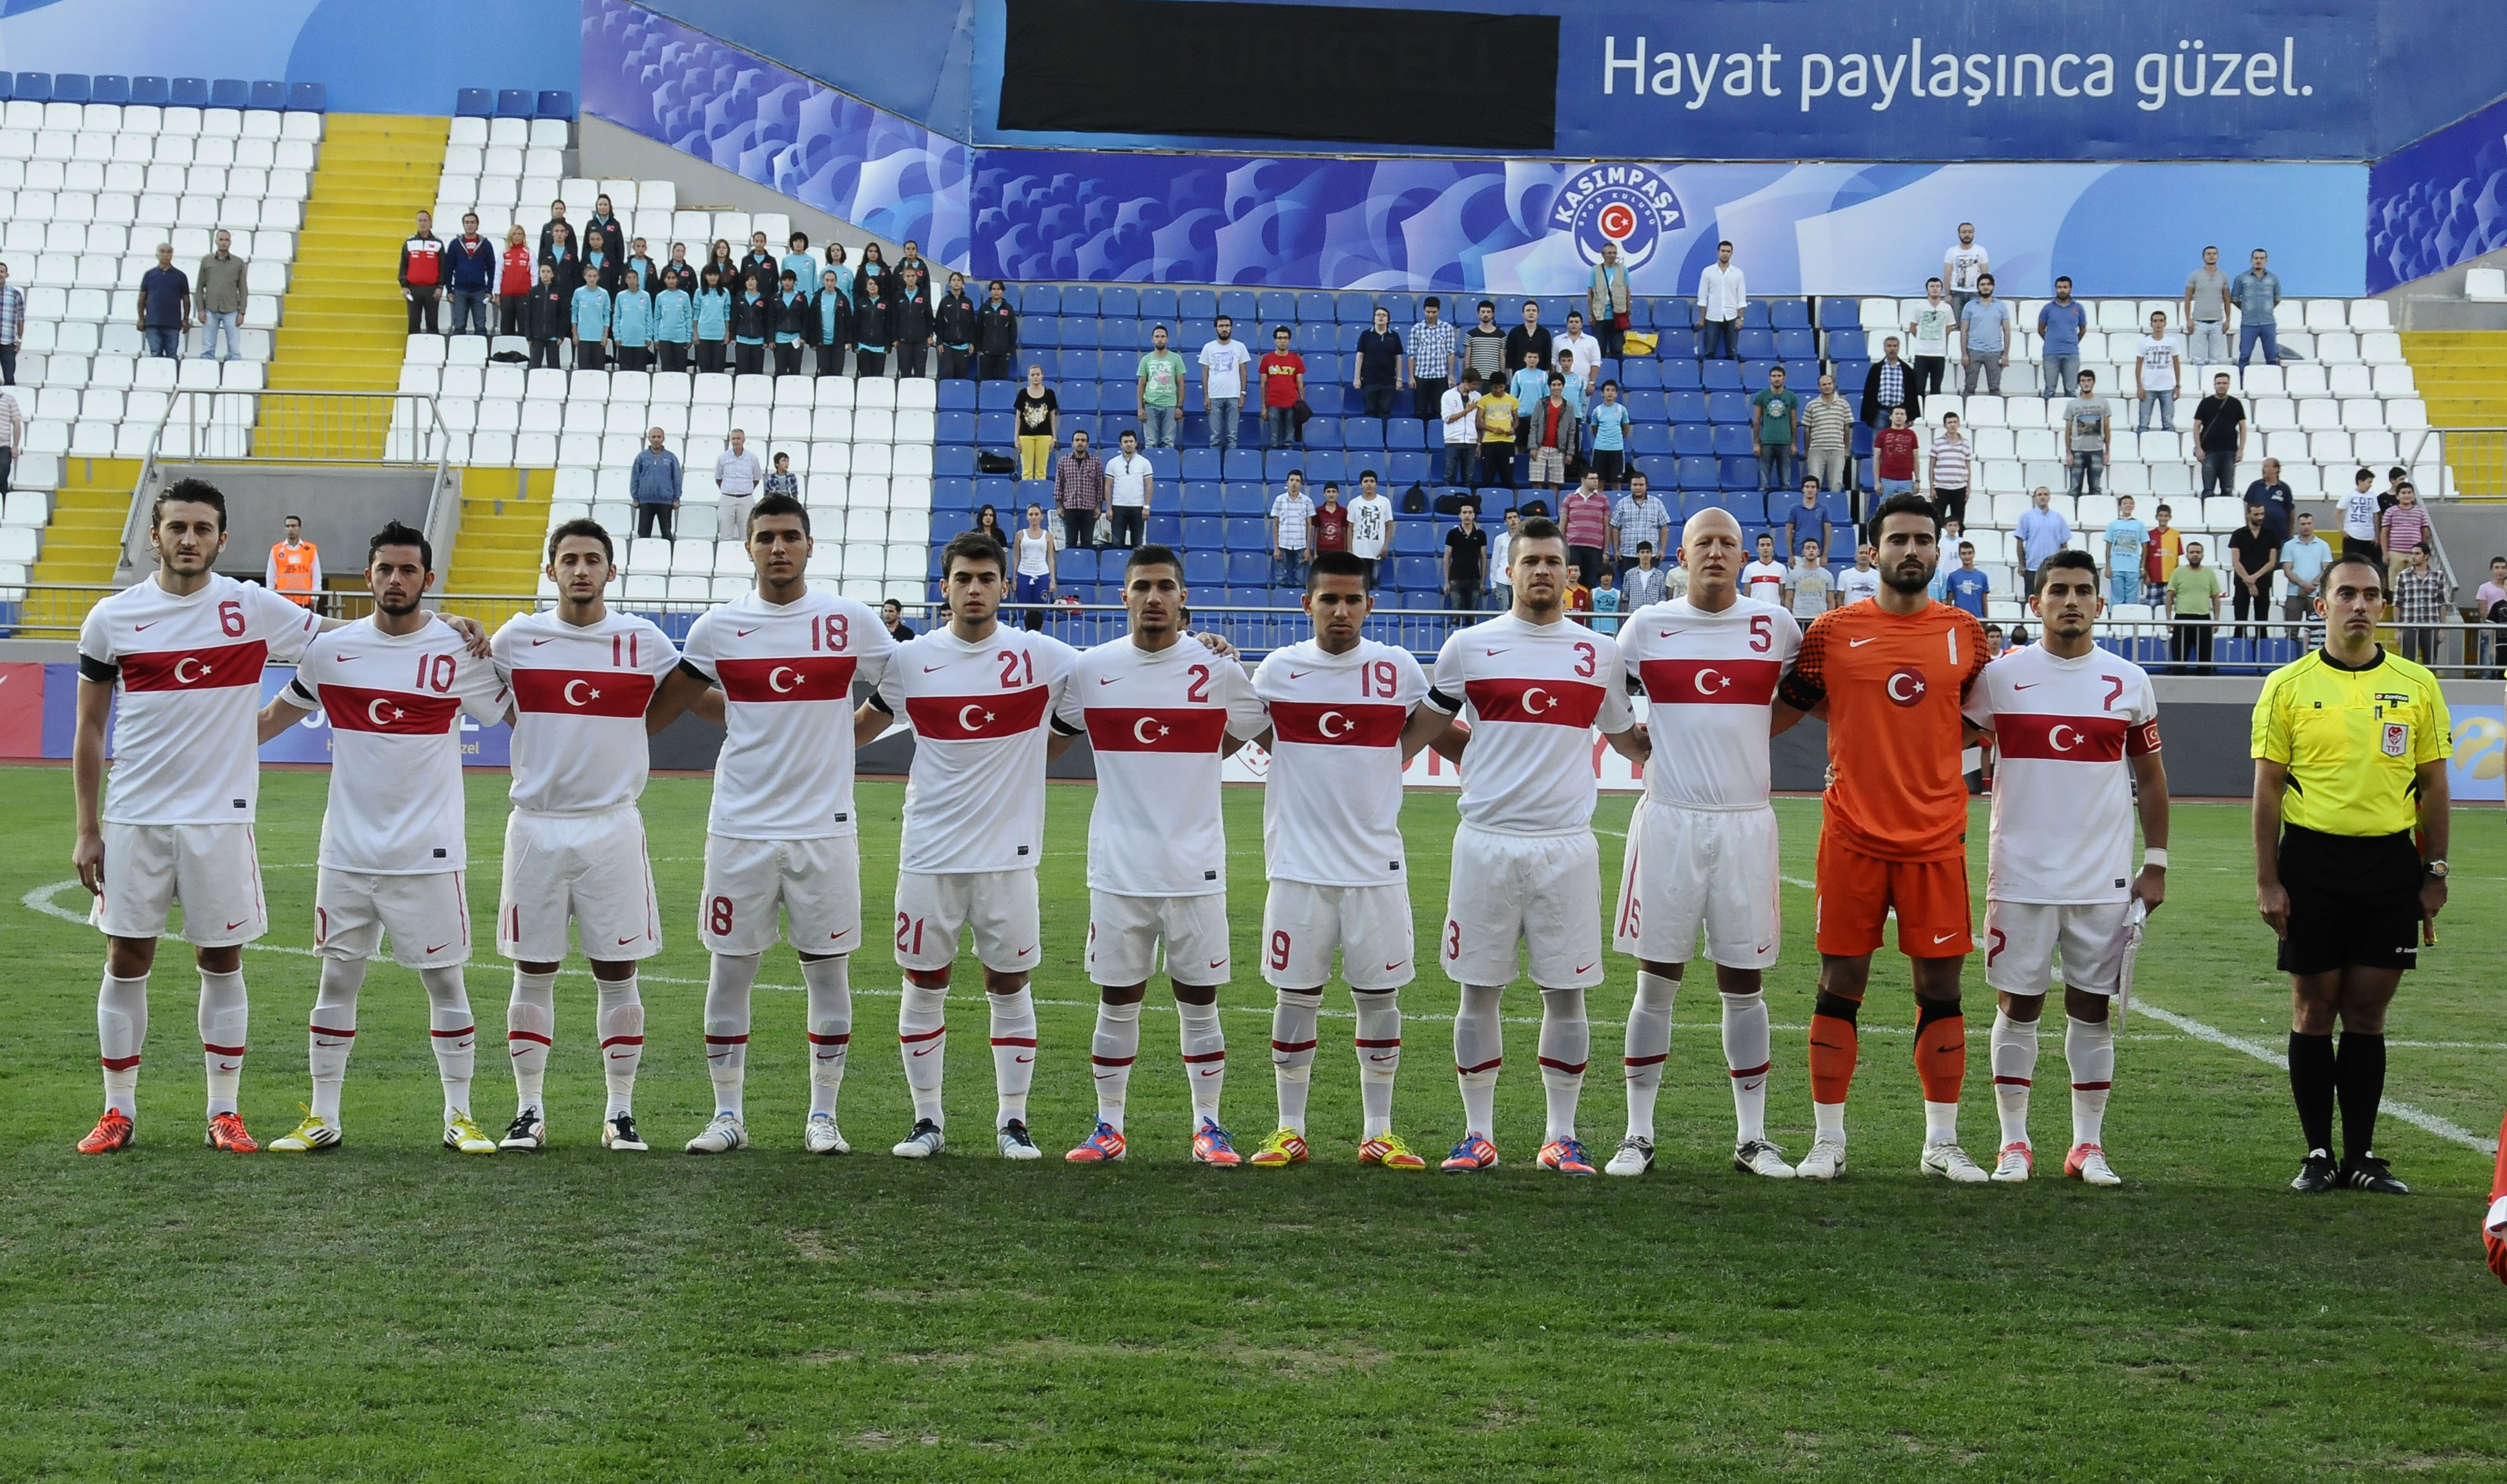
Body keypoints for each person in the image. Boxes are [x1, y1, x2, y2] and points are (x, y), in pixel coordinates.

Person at [70, 480, 327, 1154]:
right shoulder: (112, 619)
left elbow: (343, 649)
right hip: (135, 819)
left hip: (221, 819)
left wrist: (442, 626)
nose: (189, 539)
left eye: (202, 528)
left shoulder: (253, 607)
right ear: (153, 536)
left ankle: (224, 1112)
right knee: (127, 957)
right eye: (177, 527)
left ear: (223, 538)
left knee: (222, 958)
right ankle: (117, 1110)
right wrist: (87, 828)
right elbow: (91, 730)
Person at [641, 495, 894, 1156]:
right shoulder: (718, 629)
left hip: (824, 829)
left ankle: (824, 1116)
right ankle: (727, 1115)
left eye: (790, 537)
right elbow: (674, 698)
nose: (778, 548)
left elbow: (902, 684)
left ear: (811, 546)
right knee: (731, 970)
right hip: (740, 826)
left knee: (827, 971)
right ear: (747, 548)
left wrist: (850, 732)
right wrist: (742, 713)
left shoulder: (850, 622)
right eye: (766, 538)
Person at [253, 522, 513, 1156]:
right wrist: (194, 748)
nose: (396, 580)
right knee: (335, 983)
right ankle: (323, 1117)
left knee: (446, 984)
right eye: (385, 569)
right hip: (346, 852)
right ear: (368, 576)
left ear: (427, 579)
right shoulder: (330, 652)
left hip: (430, 852)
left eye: (408, 570)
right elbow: (268, 721)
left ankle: (461, 1117)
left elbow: (516, 717)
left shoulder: (458, 653)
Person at [1771, 493, 1992, 1183]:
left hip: (1935, 840)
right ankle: (1828, 1140)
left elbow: (1982, 717)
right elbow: (1783, 711)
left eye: (1922, 541)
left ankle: (1941, 1142)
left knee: (1941, 986)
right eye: (1897, 540)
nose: (1910, 551)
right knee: (1841, 980)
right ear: (1873, 551)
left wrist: (1922, 751)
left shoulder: (1966, 632)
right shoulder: (1831, 632)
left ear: (1938, 549)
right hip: (1853, 837)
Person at [1425, 517, 1649, 1176]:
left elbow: (1628, 739)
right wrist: (1480, 758)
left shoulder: (1599, 654)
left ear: (1570, 576)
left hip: (1566, 847)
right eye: (1531, 562)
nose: (1544, 571)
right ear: (1509, 571)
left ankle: (1561, 1135)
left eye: (1555, 561)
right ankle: (1478, 1134)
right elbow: (1433, 725)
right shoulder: (1467, 646)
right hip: (1486, 844)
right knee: (1478, 991)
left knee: (1566, 994)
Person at [861, 532, 1078, 1159]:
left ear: (1006, 586)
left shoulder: (1046, 657)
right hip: (928, 852)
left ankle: (1013, 1121)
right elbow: (859, 729)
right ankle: (926, 1121)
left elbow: (1118, 671)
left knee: (1009, 984)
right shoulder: (910, 662)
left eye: (987, 578)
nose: (975, 589)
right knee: (923, 982)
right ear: (945, 588)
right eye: (964, 578)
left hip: (1009, 856)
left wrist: (1204, 642)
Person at [1051, 546, 1268, 1164]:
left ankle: (1209, 1127)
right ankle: (1108, 1127)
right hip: (1118, 868)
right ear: (1123, 596)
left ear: (1182, 597)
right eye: (1142, 585)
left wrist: (1199, 755)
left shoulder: (1217, 670)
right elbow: (1052, 741)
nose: (1154, 597)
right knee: (1117, 999)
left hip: (1195, 868)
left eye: (1165, 586)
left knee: (1199, 1000)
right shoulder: (1090, 670)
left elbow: (1254, 732)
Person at [1609, 506, 1807, 1177]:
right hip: (1670, 817)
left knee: (1743, 982)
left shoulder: (1774, 627)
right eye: (1705, 544)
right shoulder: (1648, 626)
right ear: (1680, 554)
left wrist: (1749, 734)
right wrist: (1624, 740)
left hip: (1746, 822)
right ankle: (1637, 1135)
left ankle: (1752, 1138)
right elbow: (1606, 692)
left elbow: (1805, 697)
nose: (1717, 553)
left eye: (1727, 542)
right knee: (1655, 980)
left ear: (1743, 554)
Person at [2252, 550, 2451, 1196]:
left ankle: (2362, 1156)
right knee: (2314, 1009)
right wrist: (2268, 880)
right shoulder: (2288, 685)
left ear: (2384, 606)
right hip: (2310, 862)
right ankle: (2317, 1153)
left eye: (2371, 595)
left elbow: (2435, 784)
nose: (2360, 605)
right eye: (2347, 595)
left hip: (2390, 864)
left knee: (2367, 1013)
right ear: (2323, 605)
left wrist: (2435, 871)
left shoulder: (2418, 684)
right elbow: (2267, 791)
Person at [1245, 551, 1452, 1169]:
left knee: (1379, 999)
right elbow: (1255, 733)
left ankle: (1379, 1132)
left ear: (1370, 605)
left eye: (1353, 600)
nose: (1341, 610)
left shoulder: (1398, 671)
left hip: (1375, 870)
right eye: (1328, 599)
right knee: (1295, 996)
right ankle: (1289, 1129)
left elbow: (1426, 736)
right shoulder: (1278, 672)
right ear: (1306, 604)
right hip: (1298, 870)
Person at [1968, 549, 2169, 1186]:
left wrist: (2155, 864)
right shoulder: (1999, 678)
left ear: (2100, 605)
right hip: (2019, 874)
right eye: (2058, 590)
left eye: (2084, 590)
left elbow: (2153, 779)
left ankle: (2087, 1145)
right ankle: (2014, 1143)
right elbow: (1948, 749)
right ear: (2036, 603)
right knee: (2018, 1004)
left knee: (2091, 1007)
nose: (2071, 601)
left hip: (2102, 878)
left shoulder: (2128, 681)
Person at [488, 520, 680, 1153]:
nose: (580, 570)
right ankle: (528, 1111)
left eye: (592, 560)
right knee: (533, 968)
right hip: (537, 826)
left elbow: (683, 694)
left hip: (612, 826)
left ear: (611, 571)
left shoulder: (642, 641)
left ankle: (620, 1114)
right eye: (568, 559)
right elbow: (488, 694)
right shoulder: (518, 637)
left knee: (616, 969)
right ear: (550, 571)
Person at [2165, 540, 2223, 674]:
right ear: (2187, 555)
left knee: (2205, 662)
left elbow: (2215, 597)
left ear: (2202, 555)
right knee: (2179, 661)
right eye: (2192, 552)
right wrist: (2169, 619)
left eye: (2198, 552)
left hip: (2204, 620)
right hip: (2182, 619)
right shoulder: (2178, 572)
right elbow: (2169, 596)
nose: (2195, 555)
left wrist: (2216, 620)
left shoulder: (2209, 573)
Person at [2228, 502, 2281, 643]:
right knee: (2240, 622)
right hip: (2241, 583)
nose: (2260, 517)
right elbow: (2236, 561)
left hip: (2263, 583)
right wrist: (2249, 580)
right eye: (2256, 514)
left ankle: (2261, 656)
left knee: (2262, 622)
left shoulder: (2271, 534)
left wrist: (2254, 579)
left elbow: (2272, 562)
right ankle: (2239, 655)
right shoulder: (2238, 534)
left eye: (2262, 514)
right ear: (2248, 515)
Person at [193, 229, 249, 360]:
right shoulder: (207, 261)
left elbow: (243, 289)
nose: (223, 243)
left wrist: (242, 312)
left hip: (231, 310)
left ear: (230, 243)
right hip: (210, 310)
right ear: (216, 241)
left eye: (226, 240)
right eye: (221, 239)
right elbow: (200, 287)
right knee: (207, 349)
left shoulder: (238, 263)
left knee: (234, 350)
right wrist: (201, 310)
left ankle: (233, 373)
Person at [2392, 544, 2450, 666]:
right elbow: (2398, 603)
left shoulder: (2437, 576)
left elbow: (2442, 603)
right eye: (2413, 553)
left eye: (2417, 554)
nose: (2413, 557)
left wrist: (2442, 628)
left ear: (2426, 556)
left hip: (2431, 625)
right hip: (2409, 625)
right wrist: (2397, 629)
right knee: (2408, 663)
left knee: (2430, 663)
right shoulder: (2404, 575)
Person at [1200, 314, 1252, 451]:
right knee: (1215, 437)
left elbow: (1244, 372)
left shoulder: (1240, 347)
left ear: (1231, 328)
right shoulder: (1208, 347)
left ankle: (1232, 468)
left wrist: (1243, 393)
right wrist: (1206, 395)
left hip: (1234, 396)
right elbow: (1205, 372)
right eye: (1221, 326)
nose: (1224, 329)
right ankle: (1214, 466)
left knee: (1232, 436)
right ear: (1216, 328)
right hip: (1214, 396)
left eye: (1227, 326)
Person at [2191, 372, 2246, 500]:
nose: (2222, 386)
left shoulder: (2235, 403)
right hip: (2209, 451)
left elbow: (2243, 427)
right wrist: (2198, 448)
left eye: (2224, 383)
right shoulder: (2206, 403)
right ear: (2215, 385)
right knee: (2208, 489)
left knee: (2227, 488)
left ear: (2229, 385)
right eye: (2219, 383)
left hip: (2229, 451)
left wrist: (2241, 449)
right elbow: (2196, 426)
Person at [2014, 486, 2072, 599]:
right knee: (2033, 598)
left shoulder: (2058, 518)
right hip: (2033, 566)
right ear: (2035, 498)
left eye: (2046, 494)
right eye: (2040, 495)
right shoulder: (2027, 517)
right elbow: (2020, 541)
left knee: (2053, 598)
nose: (2043, 497)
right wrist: (2022, 564)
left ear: (2049, 497)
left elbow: (2064, 544)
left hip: (2053, 567)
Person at [1959, 274, 2012, 396]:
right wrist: (1964, 354)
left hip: (1995, 351)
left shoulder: (2001, 306)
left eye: (1988, 284)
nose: (1986, 287)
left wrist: (2005, 354)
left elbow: (2007, 331)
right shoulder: (1970, 306)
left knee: (1995, 388)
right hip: (1974, 351)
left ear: (1993, 286)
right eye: (1982, 285)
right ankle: (1966, 412)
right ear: (1978, 287)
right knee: (1969, 387)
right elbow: (1964, 331)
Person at [1751, 365, 1801, 493]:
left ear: (1784, 378)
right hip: (1766, 442)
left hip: (1785, 443)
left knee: (1786, 483)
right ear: (1769, 379)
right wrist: (1756, 443)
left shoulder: (1791, 396)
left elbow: (1794, 421)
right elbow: (1756, 420)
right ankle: (1763, 510)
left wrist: (1794, 443)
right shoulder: (1762, 396)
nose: (1776, 379)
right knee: (1764, 484)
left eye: (1779, 376)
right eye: (1774, 376)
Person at [1801, 372, 1853, 495]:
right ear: (1819, 387)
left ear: (1834, 385)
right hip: (1817, 450)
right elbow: (1807, 429)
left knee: (1836, 484)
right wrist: (1807, 449)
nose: (1827, 386)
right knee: (1813, 484)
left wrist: (1846, 449)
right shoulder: (1812, 405)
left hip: (1837, 449)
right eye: (1823, 384)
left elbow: (1847, 428)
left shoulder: (1844, 404)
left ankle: (1833, 511)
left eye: (1829, 384)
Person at [1557, 469, 1611, 588]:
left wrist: (1606, 550)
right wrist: (1562, 546)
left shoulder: (1603, 499)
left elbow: (1606, 526)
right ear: (1583, 480)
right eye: (1592, 478)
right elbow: (1563, 523)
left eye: (1597, 478)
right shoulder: (1570, 498)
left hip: (1595, 548)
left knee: (1591, 582)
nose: (1596, 481)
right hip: (1573, 546)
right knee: (1573, 581)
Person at [1135, 324, 1186, 449]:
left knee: (1168, 442)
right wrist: (1140, 408)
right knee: (1150, 443)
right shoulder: (1146, 360)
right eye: (1157, 337)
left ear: (1167, 339)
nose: (1160, 339)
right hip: (1150, 405)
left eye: (1163, 337)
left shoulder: (1176, 359)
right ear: (1152, 339)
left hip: (1170, 405)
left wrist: (1179, 407)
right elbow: (1141, 384)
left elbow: (1181, 383)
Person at [1529, 373, 1578, 500]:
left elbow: (1572, 431)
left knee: (1555, 482)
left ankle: (1551, 504)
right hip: (1540, 447)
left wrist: (1570, 452)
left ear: (1563, 386)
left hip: (1559, 449)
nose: (1556, 388)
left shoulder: (1569, 406)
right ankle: (1537, 504)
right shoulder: (1541, 403)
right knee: (1537, 480)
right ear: (1550, 386)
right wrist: (1533, 446)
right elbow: (1534, 425)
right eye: (1554, 385)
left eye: (1559, 385)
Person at [1609, 471, 1667, 579]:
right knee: (1629, 588)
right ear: (1630, 486)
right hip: (1627, 554)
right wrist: (1616, 550)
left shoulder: (1657, 503)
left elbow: (1664, 527)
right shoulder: (1622, 504)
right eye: (1635, 485)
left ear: (1646, 486)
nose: (1638, 487)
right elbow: (1615, 528)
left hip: (1650, 554)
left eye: (1641, 485)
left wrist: (1662, 550)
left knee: (1649, 587)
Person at [2232, 247, 2284, 368]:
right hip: (2248, 324)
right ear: (2251, 260)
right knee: (2244, 356)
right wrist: (2247, 309)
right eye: (2256, 258)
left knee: (2272, 357)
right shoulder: (2242, 278)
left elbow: (2276, 299)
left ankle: (2274, 383)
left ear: (2266, 260)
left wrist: (2267, 308)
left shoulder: (2273, 278)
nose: (2259, 261)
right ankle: (2242, 383)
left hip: (2268, 323)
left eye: (2262, 258)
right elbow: (2234, 298)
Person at [1053, 428, 1103, 553]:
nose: (1080, 443)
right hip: (1070, 508)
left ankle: (1086, 570)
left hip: (1089, 509)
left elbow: (1099, 486)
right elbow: (1059, 484)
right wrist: (1059, 506)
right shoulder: (1063, 461)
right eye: (1077, 440)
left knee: (1088, 543)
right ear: (1072, 444)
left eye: (1083, 440)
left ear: (1088, 444)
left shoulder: (1095, 462)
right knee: (1070, 542)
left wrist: (1098, 507)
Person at [2036, 276, 2086, 399]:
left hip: (2071, 353)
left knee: (2071, 390)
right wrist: (2051, 341)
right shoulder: (2048, 308)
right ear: (2056, 289)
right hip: (2051, 353)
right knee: (2049, 390)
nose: (2062, 290)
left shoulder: (2078, 308)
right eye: (2059, 287)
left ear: (2070, 289)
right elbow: (2041, 329)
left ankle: (2070, 418)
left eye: (2065, 287)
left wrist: (2072, 341)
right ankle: (2046, 416)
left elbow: (2083, 329)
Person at [1103, 428, 1153, 549]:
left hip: (1138, 507)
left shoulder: (1144, 463)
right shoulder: (1112, 463)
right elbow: (1108, 486)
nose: (1129, 444)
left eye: (1131, 441)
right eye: (1125, 442)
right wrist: (1109, 508)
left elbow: (1149, 485)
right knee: (1117, 543)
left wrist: (1146, 507)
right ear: (1121, 444)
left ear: (1136, 443)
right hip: (1118, 507)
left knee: (1138, 545)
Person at [1695, 239, 1745, 360]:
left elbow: (1742, 298)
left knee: (1732, 352)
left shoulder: (1738, 273)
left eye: (1728, 251)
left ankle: (1732, 377)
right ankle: (1708, 376)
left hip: (1732, 316)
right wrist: (1702, 318)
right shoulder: (1708, 272)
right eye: (1723, 251)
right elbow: (1702, 297)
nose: (1725, 253)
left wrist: (1740, 318)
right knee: (1710, 351)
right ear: (1718, 252)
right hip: (1712, 316)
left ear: (1732, 253)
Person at [1408, 296, 1455, 422]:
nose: (1431, 315)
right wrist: (1412, 377)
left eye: (1434, 312)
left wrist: (1451, 375)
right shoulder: (1416, 329)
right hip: (1421, 375)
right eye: (1428, 312)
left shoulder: (1447, 328)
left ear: (1439, 311)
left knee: (1440, 409)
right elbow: (1411, 354)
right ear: (1424, 310)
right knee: (1420, 409)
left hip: (1440, 375)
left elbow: (1450, 352)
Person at [1860, 338, 1921, 437]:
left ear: (1899, 348)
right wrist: (1870, 416)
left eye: (1895, 346)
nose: (1892, 349)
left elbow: (1912, 394)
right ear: (1884, 348)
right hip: (1881, 412)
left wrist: (1911, 415)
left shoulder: (1907, 370)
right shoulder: (1876, 369)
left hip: (1901, 412)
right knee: (1879, 443)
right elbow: (1869, 393)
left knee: (1900, 444)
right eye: (1889, 346)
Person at [1259, 325, 1306, 450]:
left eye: (1285, 338)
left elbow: (1300, 383)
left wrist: (1302, 403)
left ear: (1289, 341)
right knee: (1273, 438)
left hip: (1291, 403)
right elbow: (1263, 384)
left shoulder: (1295, 359)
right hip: (1273, 403)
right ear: (1275, 340)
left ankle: (1288, 458)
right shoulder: (1267, 359)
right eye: (1280, 338)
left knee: (1289, 439)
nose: (1282, 341)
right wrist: (1263, 406)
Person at [2134, 310, 2182, 433]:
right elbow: (2139, 365)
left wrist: (2177, 385)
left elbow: (2176, 363)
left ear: (2165, 323)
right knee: (2144, 423)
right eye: (2155, 321)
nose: (2158, 324)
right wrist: (2139, 386)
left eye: (2161, 321)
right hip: (2148, 387)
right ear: (2151, 324)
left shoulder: (2172, 342)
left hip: (2167, 387)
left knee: (2168, 422)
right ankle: (2141, 447)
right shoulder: (2144, 342)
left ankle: (2170, 447)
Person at [1352, 305, 1403, 420]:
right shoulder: (1366, 335)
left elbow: (1398, 358)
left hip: (1388, 382)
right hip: (1369, 381)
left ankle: (1384, 437)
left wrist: (1399, 379)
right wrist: (1357, 378)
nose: (1381, 317)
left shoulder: (1394, 336)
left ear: (1388, 320)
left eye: (1384, 315)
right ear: (1374, 319)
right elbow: (1360, 356)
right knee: (1369, 411)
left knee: (1385, 411)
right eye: (1378, 315)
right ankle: (1371, 437)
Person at [2184, 246, 2233, 366]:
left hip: (2217, 323)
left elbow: (2227, 299)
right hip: (2199, 323)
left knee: (2215, 360)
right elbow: (2188, 298)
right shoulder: (2195, 275)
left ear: (2218, 257)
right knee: (2198, 359)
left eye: (2214, 253)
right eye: (2208, 254)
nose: (2211, 256)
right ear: (2203, 257)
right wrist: (2189, 319)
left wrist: (2228, 320)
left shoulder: (2223, 276)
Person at [1904, 278, 1953, 398]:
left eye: (1938, 286)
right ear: (1927, 289)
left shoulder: (1947, 308)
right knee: (1919, 387)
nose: (1935, 289)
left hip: (1939, 354)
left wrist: (1938, 336)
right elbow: (1912, 327)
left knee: (1936, 387)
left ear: (1941, 289)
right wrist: (1923, 337)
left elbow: (1949, 327)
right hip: (1922, 353)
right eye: (1932, 286)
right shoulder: (1920, 307)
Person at [1011, 502, 1057, 626]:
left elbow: (1050, 558)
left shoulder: (1048, 536)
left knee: (1042, 610)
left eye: (1037, 514)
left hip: (1042, 575)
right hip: (1024, 574)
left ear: (1042, 516)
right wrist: (1014, 578)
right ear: (1027, 517)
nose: (1034, 517)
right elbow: (1016, 557)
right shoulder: (1020, 535)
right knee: (1023, 610)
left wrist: (1052, 579)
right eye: (1031, 514)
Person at [1474, 368, 1520, 490]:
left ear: (1505, 386)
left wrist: (1513, 429)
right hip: (1489, 442)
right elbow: (1478, 423)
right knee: (1487, 477)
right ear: (1491, 387)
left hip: (1507, 442)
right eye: (1495, 388)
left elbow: (1516, 421)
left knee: (1508, 477)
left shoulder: (1512, 400)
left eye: (1501, 387)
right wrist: (1493, 429)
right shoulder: (1484, 400)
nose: (1498, 391)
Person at [395, 214, 440, 338]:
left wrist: (440, 286)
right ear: (416, 222)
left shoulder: (438, 243)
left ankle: (433, 351)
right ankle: (414, 351)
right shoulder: (409, 242)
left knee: (432, 323)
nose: (423, 223)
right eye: (420, 220)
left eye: (425, 220)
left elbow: (443, 267)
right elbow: (403, 265)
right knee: (414, 323)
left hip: (432, 289)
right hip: (413, 289)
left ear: (431, 223)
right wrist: (404, 286)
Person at [712, 429, 761, 542]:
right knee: (725, 534)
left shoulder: (752, 458)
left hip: (746, 500)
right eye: (733, 439)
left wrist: (745, 490)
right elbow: (718, 479)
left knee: (747, 535)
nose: (736, 441)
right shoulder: (723, 458)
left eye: (738, 438)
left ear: (744, 440)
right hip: (727, 499)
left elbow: (756, 479)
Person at [1268, 469, 1314, 588]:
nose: (1294, 483)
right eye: (1292, 480)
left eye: (1297, 481)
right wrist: (1276, 548)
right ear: (1287, 482)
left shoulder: (1307, 501)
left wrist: (1308, 548)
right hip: (1283, 543)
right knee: (1281, 580)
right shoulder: (1279, 500)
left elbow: (1310, 526)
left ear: (1301, 484)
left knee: (1300, 580)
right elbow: (1275, 525)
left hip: (1301, 544)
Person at [1926, 411, 1972, 529]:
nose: (1952, 425)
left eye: (1955, 422)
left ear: (1959, 424)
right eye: (1950, 422)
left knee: (1959, 521)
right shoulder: (1938, 443)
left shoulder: (1966, 444)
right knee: (1937, 520)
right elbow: (1931, 466)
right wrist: (1932, 487)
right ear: (1945, 425)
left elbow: (1968, 468)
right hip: (1941, 487)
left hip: (1959, 488)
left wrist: (1968, 488)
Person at [265, 514, 322, 609]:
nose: (290, 529)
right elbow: (271, 576)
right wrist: (271, 597)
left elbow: (316, 575)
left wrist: (314, 597)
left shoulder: (310, 549)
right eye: (287, 526)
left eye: (293, 526)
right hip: (283, 601)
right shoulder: (276, 550)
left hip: (304, 601)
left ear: (300, 529)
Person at [1587, 242, 1632, 360]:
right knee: (1599, 348)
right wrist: (1591, 314)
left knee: (1617, 348)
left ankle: (1617, 374)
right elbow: (1590, 294)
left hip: (1618, 315)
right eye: (1609, 253)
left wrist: (1628, 310)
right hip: (1600, 316)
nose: (1612, 255)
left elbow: (1628, 291)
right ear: (1603, 255)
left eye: (1614, 253)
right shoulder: (1595, 270)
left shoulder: (1623, 269)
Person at [1013, 364, 1058, 481]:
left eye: (1038, 374)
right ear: (1028, 377)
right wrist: (1016, 438)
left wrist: (1054, 437)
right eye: (1032, 375)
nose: (1035, 377)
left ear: (1042, 376)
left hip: (1044, 435)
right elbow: (1018, 417)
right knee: (1027, 471)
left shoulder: (1050, 393)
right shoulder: (1023, 393)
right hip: (1025, 435)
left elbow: (1052, 417)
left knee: (1041, 471)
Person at [1438, 367, 1482, 486]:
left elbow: (1478, 422)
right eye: (1474, 384)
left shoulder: (1477, 397)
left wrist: (1479, 443)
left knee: (1469, 477)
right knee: (1449, 475)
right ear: (1465, 382)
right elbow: (1447, 419)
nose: (1475, 387)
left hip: (1471, 441)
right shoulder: (1448, 395)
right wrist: (1467, 411)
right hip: (1453, 440)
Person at [522, 260, 569, 370]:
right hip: (536, 336)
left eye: (548, 271)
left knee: (554, 367)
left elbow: (563, 315)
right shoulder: (533, 292)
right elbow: (528, 315)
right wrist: (528, 334)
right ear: (539, 274)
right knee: (534, 366)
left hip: (553, 336)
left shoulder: (558, 291)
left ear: (552, 274)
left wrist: (561, 335)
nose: (546, 274)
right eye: (543, 271)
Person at [1347, 471, 1393, 586]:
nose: (1369, 484)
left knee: (1374, 583)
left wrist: (1386, 546)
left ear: (1376, 484)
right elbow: (1350, 529)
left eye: (1372, 481)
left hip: (1377, 551)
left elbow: (1389, 526)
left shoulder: (1385, 502)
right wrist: (1350, 551)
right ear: (1361, 485)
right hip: (1358, 551)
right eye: (1366, 481)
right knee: (1358, 584)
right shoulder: (1354, 503)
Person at [1441, 502, 1489, 612]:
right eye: (1464, 513)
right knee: (1456, 617)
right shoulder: (1452, 534)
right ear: (1460, 515)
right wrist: (1447, 581)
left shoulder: (1481, 534)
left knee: (1473, 617)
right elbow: (1447, 557)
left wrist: (1482, 582)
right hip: (1456, 579)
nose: (1467, 515)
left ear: (1474, 515)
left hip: (1474, 579)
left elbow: (1484, 558)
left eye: (1470, 513)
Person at [2103, 494, 2149, 607]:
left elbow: (2145, 546)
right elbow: (2108, 546)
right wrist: (2108, 566)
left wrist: (2142, 566)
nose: (2128, 505)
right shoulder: (2113, 524)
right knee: (2117, 599)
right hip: (2117, 566)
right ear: (2120, 507)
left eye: (2131, 503)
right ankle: (2116, 622)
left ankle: (2130, 622)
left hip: (2133, 567)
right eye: (2125, 503)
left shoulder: (2140, 525)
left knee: (2132, 599)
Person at [892, 263, 934, 378]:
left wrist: (930, 335)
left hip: (920, 341)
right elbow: (895, 318)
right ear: (904, 278)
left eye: (913, 276)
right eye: (908, 276)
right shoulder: (898, 296)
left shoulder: (924, 295)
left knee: (920, 373)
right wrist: (895, 338)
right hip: (903, 341)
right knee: (905, 373)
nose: (911, 279)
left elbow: (929, 317)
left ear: (917, 277)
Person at [936, 271, 978, 381]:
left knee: (961, 377)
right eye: (954, 280)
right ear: (950, 283)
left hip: (963, 346)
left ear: (963, 284)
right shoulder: (944, 302)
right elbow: (939, 323)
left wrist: (972, 343)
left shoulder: (968, 303)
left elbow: (972, 324)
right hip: (947, 346)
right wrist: (939, 342)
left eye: (959, 280)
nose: (956, 283)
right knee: (948, 374)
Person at [975, 278, 1020, 381]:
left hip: (1003, 353)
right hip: (986, 353)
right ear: (990, 291)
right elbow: (979, 329)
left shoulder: (1008, 308)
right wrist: (979, 349)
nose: (996, 291)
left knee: (1001, 381)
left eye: (999, 289)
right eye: (994, 289)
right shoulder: (984, 308)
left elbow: (1013, 330)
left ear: (1003, 291)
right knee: (986, 382)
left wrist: (1011, 349)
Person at [851, 273, 894, 378]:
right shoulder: (860, 303)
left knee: (878, 378)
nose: (873, 286)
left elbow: (889, 326)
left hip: (880, 347)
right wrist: (855, 344)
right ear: (866, 287)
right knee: (865, 377)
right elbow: (855, 326)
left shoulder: (887, 304)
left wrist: (888, 345)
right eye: (870, 284)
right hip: (863, 345)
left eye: (875, 284)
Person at [650, 266, 693, 373]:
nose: (671, 280)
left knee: (681, 369)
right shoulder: (660, 297)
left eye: (673, 278)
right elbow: (657, 318)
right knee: (666, 369)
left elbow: (688, 317)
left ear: (678, 279)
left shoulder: (685, 296)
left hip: (680, 337)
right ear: (664, 280)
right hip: (665, 337)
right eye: (668, 278)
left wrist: (689, 338)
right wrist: (656, 338)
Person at [499, 227, 539, 338]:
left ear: (524, 236)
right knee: (506, 327)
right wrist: (497, 293)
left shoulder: (530, 254)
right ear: (510, 236)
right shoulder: (504, 253)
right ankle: (505, 352)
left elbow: (534, 276)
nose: (517, 236)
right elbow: (498, 274)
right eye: (514, 234)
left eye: (519, 234)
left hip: (524, 296)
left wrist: (534, 294)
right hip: (506, 296)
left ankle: (523, 352)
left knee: (524, 326)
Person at [2246, 457, 2296, 548]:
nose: (2263, 469)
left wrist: (2290, 533)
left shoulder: (2284, 488)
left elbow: (2291, 512)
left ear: (2276, 469)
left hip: (2280, 536)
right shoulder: (2255, 486)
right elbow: (2248, 509)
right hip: (2259, 536)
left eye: (2266, 467)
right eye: (2263, 467)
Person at [569, 263, 610, 373]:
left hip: (598, 337)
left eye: (594, 276)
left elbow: (607, 316)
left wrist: (605, 336)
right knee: (583, 369)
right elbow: (574, 315)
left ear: (598, 277)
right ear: (585, 277)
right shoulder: (578, 293)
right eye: (589, 276)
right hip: (583, 337)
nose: (592, 279)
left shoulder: (604, 294)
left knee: (599, 369)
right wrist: (575, 334)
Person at [612, 266, 654, 373]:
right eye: (629, 278)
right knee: (625, 371)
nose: (632, 280)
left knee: (640, 371)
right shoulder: (621, 296)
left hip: (641, 340)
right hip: (625, 340)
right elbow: (617, 317)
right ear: (625, 280)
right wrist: (617, 336)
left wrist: (649, 335)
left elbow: (649, 317)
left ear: (638, 279)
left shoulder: (645, 296)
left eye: (634, 277)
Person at [1943, 222, 1990, 318]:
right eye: (1964, 232)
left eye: (1970, 232)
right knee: (1956, 324)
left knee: (1974, 323)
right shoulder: (1951, 251)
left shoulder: (1981, 251)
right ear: (1959, 234)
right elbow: (1947, 274)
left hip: (1975, 292)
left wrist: (1985, 294)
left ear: (1973, 234)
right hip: (1956, 292)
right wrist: (1948, 294)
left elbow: (1985, 275)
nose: (1967, 235)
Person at [1873, 404, 1919, 498]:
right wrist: (1877, 482)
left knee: (1906, 511)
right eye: (1897, 414)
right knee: (1886, 510)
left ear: (1906, 417)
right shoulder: (1882, 435)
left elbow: (1915, 459)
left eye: (1902, 414)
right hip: (1887, 480)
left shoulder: (1912, 435)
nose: (1899, 416)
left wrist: (1917, 480)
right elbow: (1877, 459)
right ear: (1891, 417)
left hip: (1906, 480)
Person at [692, 265, 731, 374]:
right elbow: (696, 313)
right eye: (710, 275)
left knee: (718, 369)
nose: (713, 278)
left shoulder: (725, 293)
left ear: (719, 276)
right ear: (705, 276)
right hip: (703, 334)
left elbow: (726, 313)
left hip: (719, 334)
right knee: (705, 369)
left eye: (715, 275)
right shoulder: (699, 292)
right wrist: (695, 333)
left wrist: (727, 333)